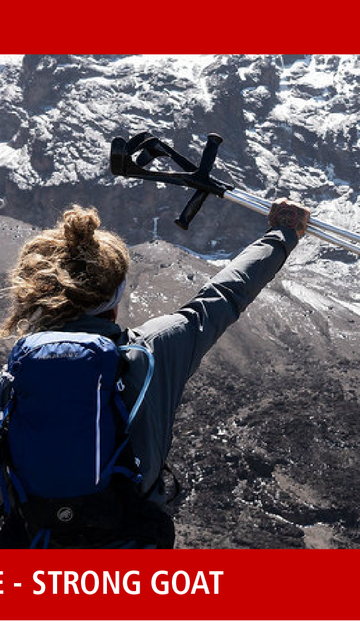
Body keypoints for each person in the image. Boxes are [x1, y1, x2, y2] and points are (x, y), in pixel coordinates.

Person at [0, 197, 310, 548]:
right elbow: (225, 293)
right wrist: (282, 232)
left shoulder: (17, 374)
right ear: (114, 302)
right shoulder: (152, 351)